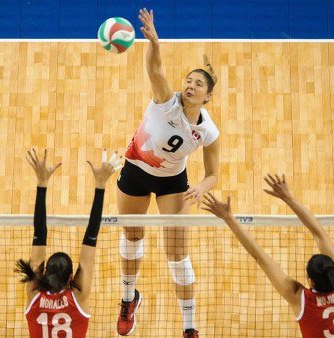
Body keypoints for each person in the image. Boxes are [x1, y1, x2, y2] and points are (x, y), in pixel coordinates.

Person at [116, 8, 220, 338]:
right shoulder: (166, 101)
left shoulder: (208, 132)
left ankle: (189, 326)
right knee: (132, 238)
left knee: (177, 254)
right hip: (135, 170)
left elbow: (214, 172)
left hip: (173, 183)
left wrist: (202, 186)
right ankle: (128, 299)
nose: (190, 86)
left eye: (198, 84)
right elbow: (155, 69)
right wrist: (154, 41)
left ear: (207, 96)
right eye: (188, 80)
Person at [202, 174, 334, 338]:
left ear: (310, 281)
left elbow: (260, 257)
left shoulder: (301, 299)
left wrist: (228, 218)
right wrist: (289, 198)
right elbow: (320, 234)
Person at [16, 149, 122, 338]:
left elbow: (40, 234)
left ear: (45, 272)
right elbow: (41, 234)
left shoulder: (35, 294)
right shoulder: (76, 297)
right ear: (71, 277)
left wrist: (42, 183)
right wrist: (100, 184)